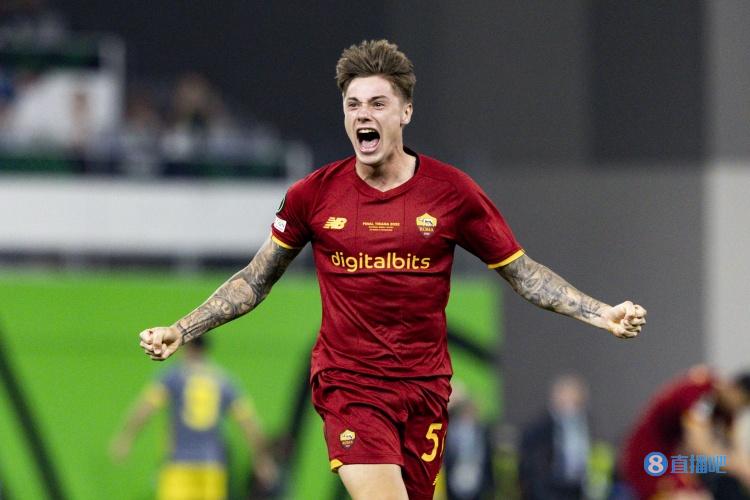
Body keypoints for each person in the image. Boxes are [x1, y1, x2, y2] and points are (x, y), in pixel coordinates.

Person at [138, 39, 647, 500]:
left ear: (405, 112)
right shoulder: (312, 196)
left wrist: (601, 313)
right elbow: (255, 280)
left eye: (378, 103)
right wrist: (183, 329)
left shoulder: (452, 193)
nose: (364, 114)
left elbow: (523, 273)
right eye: (353, 104)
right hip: (350, 385)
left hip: (425, 389)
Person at [110, 336, 277, 500]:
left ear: (185, 348)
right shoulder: (224, 381)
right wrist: (262, 458)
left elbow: (146, 408)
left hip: (178, 463)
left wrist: (126, 438)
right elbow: (248, 423)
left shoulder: (172, 377)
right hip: (212, 466)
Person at [617, 365, 750, 499]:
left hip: (672, 458)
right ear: (734, 390)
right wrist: (739, 467)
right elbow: (700, 446)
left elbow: (733, 448)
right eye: (742, 403)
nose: (739, 409)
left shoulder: (726, 410)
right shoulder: (702, 391)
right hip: (648, 457)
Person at [519, 374, 591, 500]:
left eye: (574, 401)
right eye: (565, 400)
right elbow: (530, 468)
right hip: (549, 491)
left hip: (577, 490)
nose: (569, 406)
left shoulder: (587, 426)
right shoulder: (538, 428)